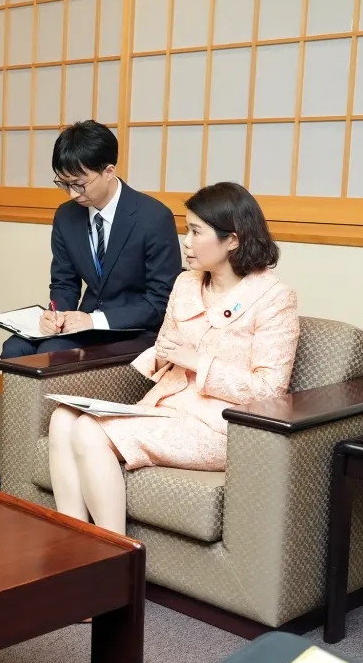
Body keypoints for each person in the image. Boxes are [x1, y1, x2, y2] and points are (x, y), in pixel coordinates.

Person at [46, 182, 299, 536]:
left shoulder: (274, 298)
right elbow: (166, 345)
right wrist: (162, 355)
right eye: (187, 230)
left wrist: (197, 361)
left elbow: (269, 389)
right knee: (63, 417)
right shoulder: (186, 284)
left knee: (89, 430)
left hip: (219, 425)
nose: (186, 241)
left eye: (196, 232)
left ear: (233, 239)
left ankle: (113, 556)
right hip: (167, 407)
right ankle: (73, 541)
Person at [0, 120, 182, 359]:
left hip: (133, 328)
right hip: (85, 323)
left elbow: (161, 300)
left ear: (108, 172)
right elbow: (64, 282)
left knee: (50, 353)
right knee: (15, 347)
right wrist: (55, 315)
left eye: (79, 184)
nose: (73, 194)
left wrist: (94, 320)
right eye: (64, 184)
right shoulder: (66, 216)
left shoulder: (153, 218)